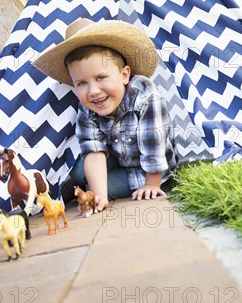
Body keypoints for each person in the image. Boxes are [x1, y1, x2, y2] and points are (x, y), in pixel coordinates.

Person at [33, 18, 177, 211]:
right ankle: (81, 188)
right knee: (78, 171)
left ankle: (79, 190)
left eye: (100, 78)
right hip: (118, 159)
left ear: (124, 75)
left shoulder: (146, 96)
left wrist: (152, 184)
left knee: (105, 186)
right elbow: (93, 149)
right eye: (81, 83)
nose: (93, 91)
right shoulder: (87, 106)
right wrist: (98, 196)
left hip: (149, 170)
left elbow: (154, 146)